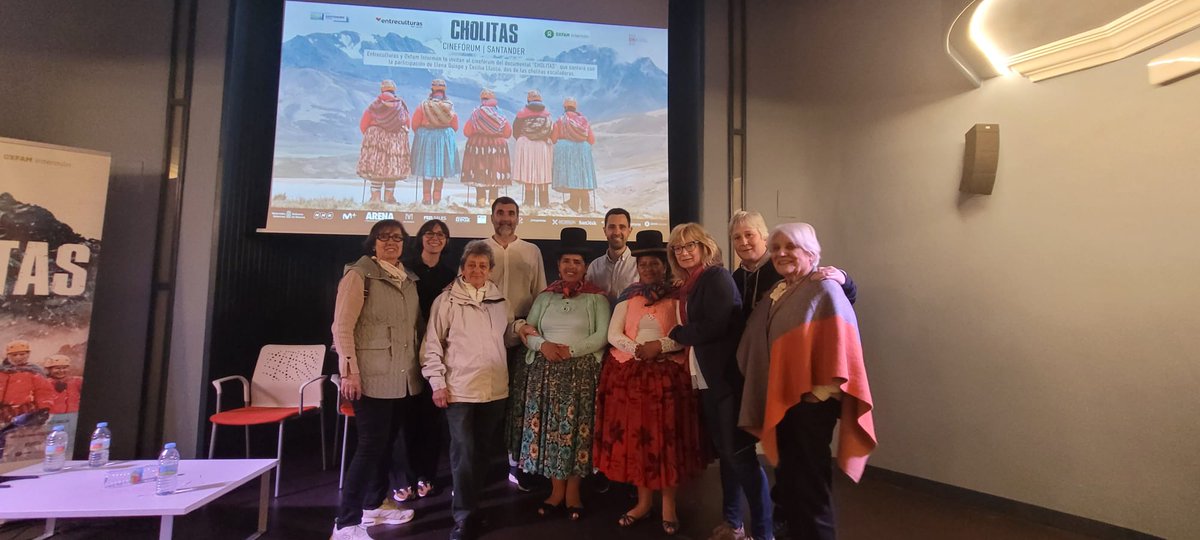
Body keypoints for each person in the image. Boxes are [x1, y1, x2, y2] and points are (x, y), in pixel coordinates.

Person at [737, 223, 876, 540]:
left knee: (810, 486)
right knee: (787, 481)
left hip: (810, 406)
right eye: (775, 248)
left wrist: (819, 394)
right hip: (784, 400)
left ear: (810, 251)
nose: (781, 253)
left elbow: (841, 349)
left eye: (790, 247)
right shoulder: (780, 289)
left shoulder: (825, 289)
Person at [593, 230, 706, 536]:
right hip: (631, 378)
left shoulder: (679, 295)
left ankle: (669, 506)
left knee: (666, 443)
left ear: (664, 265)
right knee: (640, 443)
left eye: (654, 264)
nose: (648, 269)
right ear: (638, 268)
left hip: (668, 378)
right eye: (643, 265)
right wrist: (638, 351)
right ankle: (643, 504)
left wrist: (661, 347)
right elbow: (613, 334)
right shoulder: (629, 296)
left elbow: (686, 333)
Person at [664, 223, 771, 540]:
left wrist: (677, 335)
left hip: (726, 381)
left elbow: (716, 325)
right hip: (708, 379)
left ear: (704, 246)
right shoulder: (690, 283)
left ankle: (764, 533)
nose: (683, 252)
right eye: (677, 248)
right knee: (727, 454)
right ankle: (734, 523)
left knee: (740, 457)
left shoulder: (716, 277)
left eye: (689, 245)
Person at [330, 220, 424, 539]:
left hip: (402, 377)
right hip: (369, 377)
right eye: (383, 237)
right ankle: (345, 523)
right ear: (373, 243)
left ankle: (373, 506)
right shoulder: (358, 276)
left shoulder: (408, 279)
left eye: (396, 238)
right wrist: (349, 372)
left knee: (384, 446)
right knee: (369, 447)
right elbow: (342, 328)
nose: (390, 243)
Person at [421, 240, 517, 540]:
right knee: (462, 455)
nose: (477, 270)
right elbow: (431, 346)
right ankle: (462, 517)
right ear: (462, 268)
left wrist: (527, 329)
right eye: (471, 265)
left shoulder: (501, 301)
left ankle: (472, 509)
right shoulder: (446, 301)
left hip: (494, 391)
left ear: (490, 271)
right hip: (459, 391)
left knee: (482, 455)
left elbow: (508, 337)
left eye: (483, 266)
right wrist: (437, 383)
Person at [513, 227, 610, 521]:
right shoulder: (545, 298)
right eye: (566, 261)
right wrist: (543, 345)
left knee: (578, 434)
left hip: (581, 375)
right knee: (553, 434)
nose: (571, 266)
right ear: (559, 265)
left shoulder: (597, 299)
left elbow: (602, 336)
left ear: (584, 267)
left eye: (577, 262)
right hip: (547, 375)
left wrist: (571, 350)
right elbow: (527, 332)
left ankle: (573, 493)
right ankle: (556, 492)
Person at [484, 197, 548, 491]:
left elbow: (541, 293)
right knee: (488, 402)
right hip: (485, 332)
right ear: (492, 216)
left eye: (511, 213)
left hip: (523, 333)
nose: (506, 218)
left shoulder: (532, 250)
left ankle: (514, 463)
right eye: (501, 212)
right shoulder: (480, 248)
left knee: (519, 401)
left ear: (518, 217)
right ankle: (483, 465)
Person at [394, 219, 457, 503]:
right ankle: (402, 479)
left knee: (430, 421)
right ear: (420, 238)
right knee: (403, 420)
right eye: (430, 233)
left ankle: (426, 476)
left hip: (435, 354)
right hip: (404, 353)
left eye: (441, 234)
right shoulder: (403, 269)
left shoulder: (449, 273)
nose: (435, 238)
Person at [729, 210, 857, 320]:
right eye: (737, 237)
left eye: (749, 235)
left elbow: (834, 298)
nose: (744, 242)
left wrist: (843, 279)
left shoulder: (784, 267)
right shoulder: (736, 277)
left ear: (764, 237)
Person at [356, 79, 411, 205]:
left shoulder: (374, 105)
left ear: (382, 90)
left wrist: (371, 136)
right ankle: (389, 198)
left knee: (377, 168)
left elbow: (364, 124)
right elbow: (407, 122)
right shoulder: (400, 106)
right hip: (395, 140)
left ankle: (375, 198)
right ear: (393, 90)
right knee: (391, 169)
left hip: (376, 138)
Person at [410, 79, 460, 206]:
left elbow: (415, 124)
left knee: (427, 170)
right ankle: (437, 197)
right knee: (440, 171)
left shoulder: (423, 105)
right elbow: (455, 125)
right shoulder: (449, 106)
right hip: (443, 138)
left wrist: (423, 133)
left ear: (432, 90)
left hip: (427, 138)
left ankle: (426, 198)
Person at [462, 88, 513, 208]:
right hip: (497, 147)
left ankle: (480, 199)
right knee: (494, 172)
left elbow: (467, 131)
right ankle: (493, 200)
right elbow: (507, 132)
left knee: (480, 171)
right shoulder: (500, 114)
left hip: (479, 146)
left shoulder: (476, 113)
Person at [551, 97, 598, 214]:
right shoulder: (584, 121)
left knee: (571, 176)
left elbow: (554, 138)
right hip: (583, 151)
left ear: (565, 107)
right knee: (582, 177)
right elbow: (591, 140)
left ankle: (574, 204)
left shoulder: (561, 120)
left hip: (567, 152)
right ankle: (586, 206)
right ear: (575, 107)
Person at [585, 207, 639, 306]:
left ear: (629, 230)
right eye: (612, 227)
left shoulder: (639, 265)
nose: (617, 232)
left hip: (629, 320)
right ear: (605, 230)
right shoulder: (594, 267)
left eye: (622, 227)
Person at [511, 90, 554, 208]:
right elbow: (551, 130)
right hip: (543, 146)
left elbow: (515, 130)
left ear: (528, 100)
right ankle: (544, 202)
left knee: (528, 173)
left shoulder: (522, 113)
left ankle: (529, 202)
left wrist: (523, 139)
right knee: (543, 174)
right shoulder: (547, 114)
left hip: (527, 145)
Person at [0, 340, 54, 425]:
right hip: (4, 413)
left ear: (28, 354)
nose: (18, 357)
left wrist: (44, 409)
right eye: (14, 355)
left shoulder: (35, 372)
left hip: (28, 412)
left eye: (22, 354)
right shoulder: (2, 372)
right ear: (8, 356)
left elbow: (43, 392)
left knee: (26, 436)